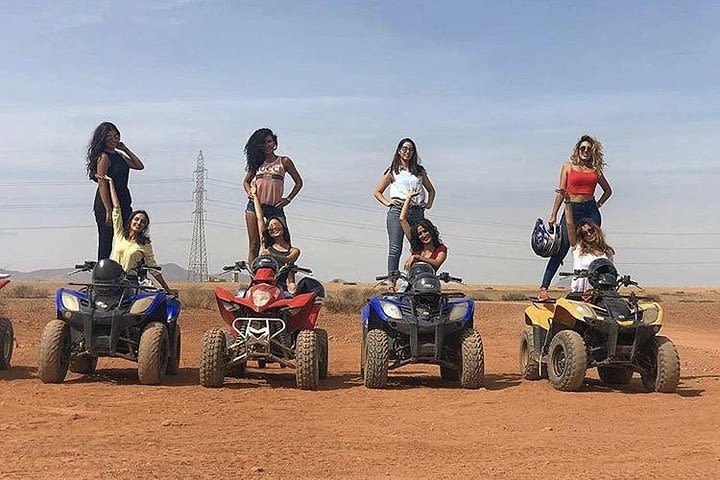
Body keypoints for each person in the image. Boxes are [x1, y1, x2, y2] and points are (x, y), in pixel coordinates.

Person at [538, 134, 612, 300]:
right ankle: (544, 288)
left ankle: (598, 289)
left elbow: (608, 191)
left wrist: (597, 204)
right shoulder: (567, 167)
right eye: (582, 148)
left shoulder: (596, 171)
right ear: (578, 150)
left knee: (595, 248)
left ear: (592, 152)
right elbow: (561, 192)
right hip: (572, 208)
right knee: (562, 248)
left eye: (588, 149)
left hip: (591, 210)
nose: (585, 151)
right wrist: (553, 214)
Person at [97, 174, 175, 294]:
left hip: (130, 282)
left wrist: (166, 288)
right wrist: (111, 183)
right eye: (136, 219)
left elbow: (153, 267)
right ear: (131, 220)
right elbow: (116, 208)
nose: (139, 223)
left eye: (143, 222)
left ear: (145, 226)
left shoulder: (145, 244)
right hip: (111, 280)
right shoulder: (120, 234)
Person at [373, 138, 436, 276]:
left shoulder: (419, 171)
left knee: (418, 245)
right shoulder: (393, 171)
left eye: (411, 150)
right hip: (398, 209)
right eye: (405, 149)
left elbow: (431, 190)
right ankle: (392, 280)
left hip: (416, 210)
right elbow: (377, 192)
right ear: (399, 151)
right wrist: (387, 202)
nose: (408, 152)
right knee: (395, 248)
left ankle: (418, 276)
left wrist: (429, 203)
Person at [242, 128, 303, 264]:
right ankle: (255, 278)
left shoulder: (284, 161)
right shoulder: (257, 163)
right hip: (255, 206)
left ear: (274, 142)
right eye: (263, 143)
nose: (267, 145)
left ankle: (287, 281)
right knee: (254, 245)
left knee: (284, 244)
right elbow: (246, 181)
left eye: (269, 141)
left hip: (275, 208)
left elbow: (298, 182)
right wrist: (250, 192)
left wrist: (288, 199)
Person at [86, 122, 145, 260]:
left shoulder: (120, 156)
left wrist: (125, 149)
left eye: (116, 136)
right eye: (109, 137)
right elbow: (102, 185)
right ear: (102, 139)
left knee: (131, 236)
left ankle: (131, 271)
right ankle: (102, 275)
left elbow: (139, 165)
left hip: (123, 201)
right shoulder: (103, 157)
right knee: (106, 240)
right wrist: (108, 210)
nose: (114, 140)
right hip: (107, 203)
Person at [249, 182, 301, 293]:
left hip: (279, 288)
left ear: (283, 227)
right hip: (262, 286)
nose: (274, 228)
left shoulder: (293, 251)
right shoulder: (266, 244)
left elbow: (288, 259)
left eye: (276, 225)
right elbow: (259, 218)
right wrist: (255, 196)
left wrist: (271, 254)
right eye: (271, 228)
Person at [563, 195, 615, 298]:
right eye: (584, 233)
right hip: (579, 295)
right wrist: (568, 202)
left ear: (596, 230)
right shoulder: (578, 248)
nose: (589, 234)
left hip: (599, 296)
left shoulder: (607, 253)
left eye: (591, 231)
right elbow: (569, 225)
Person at [399, 187, 447, 272]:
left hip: (430, 280)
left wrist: (417, 257)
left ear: (431, 231)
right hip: (413, 281)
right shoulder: (416, 246)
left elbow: (436, 263)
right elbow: (402, 219)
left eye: (425, 231)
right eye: (419, 234)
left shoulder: (440, 248)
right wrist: (409, 198)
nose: (423, 235)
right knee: (404, 285)